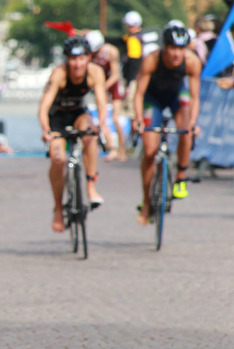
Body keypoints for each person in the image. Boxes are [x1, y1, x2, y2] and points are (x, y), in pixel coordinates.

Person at [38, 36, 109, 232]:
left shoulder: (96, 72)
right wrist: (45, 129)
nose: (77, 64)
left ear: (88, 58)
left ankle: (91, 186)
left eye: (81, 58)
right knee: (58, 159)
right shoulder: (59, 74)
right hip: (57, 118)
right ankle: (59, 209)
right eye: (72, 59)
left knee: (90, 133)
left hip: (78, 114)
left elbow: (102, 103)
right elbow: (43, 108)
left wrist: (101, 123)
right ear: (67, 59)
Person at [133, 26, 201, 226]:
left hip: (176, 96)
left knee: (186, 129)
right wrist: (137, 119)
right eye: (172, 48)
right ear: (164, 47)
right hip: (152, 99)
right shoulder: (152, 60)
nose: (176, 53)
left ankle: (180, 178)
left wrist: (193, 123)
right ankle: (146, 202)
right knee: (149, 150)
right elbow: (138, 94)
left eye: (181, 48)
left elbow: (195, 97)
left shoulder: (192, 62)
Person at [86, 29, 127, 162]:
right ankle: (112, 148)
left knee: (115, 118)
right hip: (100, 85)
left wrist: (104, 86)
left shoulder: (111, 51)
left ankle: (122, 150)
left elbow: (115, 74)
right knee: (101, 118)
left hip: (112, 84)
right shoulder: (89, 54)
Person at [122, 10, 144, 122]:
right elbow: (118, 40)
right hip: (136, 79)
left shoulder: (133, 40)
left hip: (133, 80)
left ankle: (133, 138)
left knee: (131, 114)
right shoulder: (137, 36)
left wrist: (128, 84)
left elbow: (134, 62)